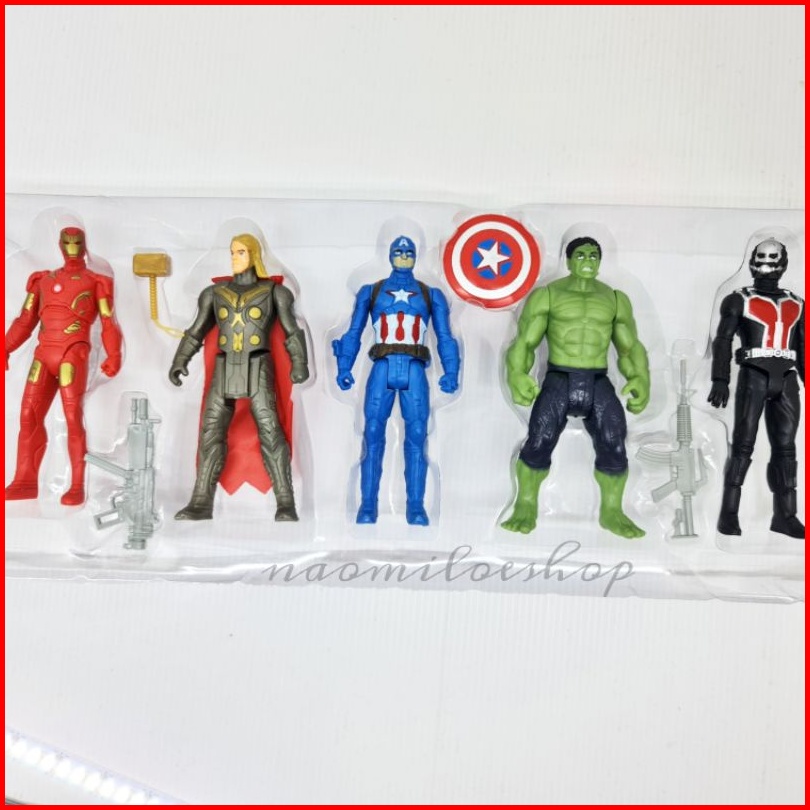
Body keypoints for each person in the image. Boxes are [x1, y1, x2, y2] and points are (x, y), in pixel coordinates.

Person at [502, 237, 649, 538]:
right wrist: (517, 374)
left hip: (598, 380)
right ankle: (525, 503)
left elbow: (630, 346)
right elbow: (525, 341)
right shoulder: (548, 295)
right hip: (559, 377)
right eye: (581, 255)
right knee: (539, 439)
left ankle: (612, 511)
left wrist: (640, 377)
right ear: (567, 260)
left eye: (594, 256)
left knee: (614, 440)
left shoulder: (614, 299)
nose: (588, 260)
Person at [169, 234, 309, 521]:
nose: (235, 257)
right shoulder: (213, 294)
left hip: (258, 365)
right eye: (232, 252)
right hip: (225, 366)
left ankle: (285, 503)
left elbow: (292, 330)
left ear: (254, 254)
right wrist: (180, 359)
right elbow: (196, 330)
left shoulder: (275, 292)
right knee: (211, 432)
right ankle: (201, 502)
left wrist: (299, 363)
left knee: (270, 431)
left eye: (241, 252)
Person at [332, 236, 460, 525]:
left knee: (418, 434)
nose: (404, 256)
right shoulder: (371, 291)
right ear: (390, 255)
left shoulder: (431, 294)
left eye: (409, 251)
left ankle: (416, 506)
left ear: (416, 255)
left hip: (415, 368)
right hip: (382, 366)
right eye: (399, 251)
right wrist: (344, 366)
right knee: (372, 433)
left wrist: (451, 371)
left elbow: (445, 337)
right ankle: (368, 505)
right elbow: (353, 332)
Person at [5, 226, 123, 505]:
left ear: (84, 244)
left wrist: (114, 354)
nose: (72, 247)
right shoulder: (43, 281)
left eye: (77, 242)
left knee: (72, 417)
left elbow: (109, 322)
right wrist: (6, 347)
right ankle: (25, 481)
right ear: (59, 244)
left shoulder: (96, 281)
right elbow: (25, 320)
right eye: (67, 242)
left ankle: (77, 485)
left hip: (73, 354)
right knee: (28, 414)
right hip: (43, 354)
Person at [708, 239, 804, 537]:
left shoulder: (797, 303)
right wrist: (720, 379)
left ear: (783, 263)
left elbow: (802, 346)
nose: (766, 265)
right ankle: (728, 514)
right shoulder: (738, 299)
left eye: (773, 259)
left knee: (786, 448)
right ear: (752, 261)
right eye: (761, 258)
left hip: (786, 377)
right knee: (742, 445)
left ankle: (785, 515)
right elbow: (723, 340)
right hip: (754, 375)